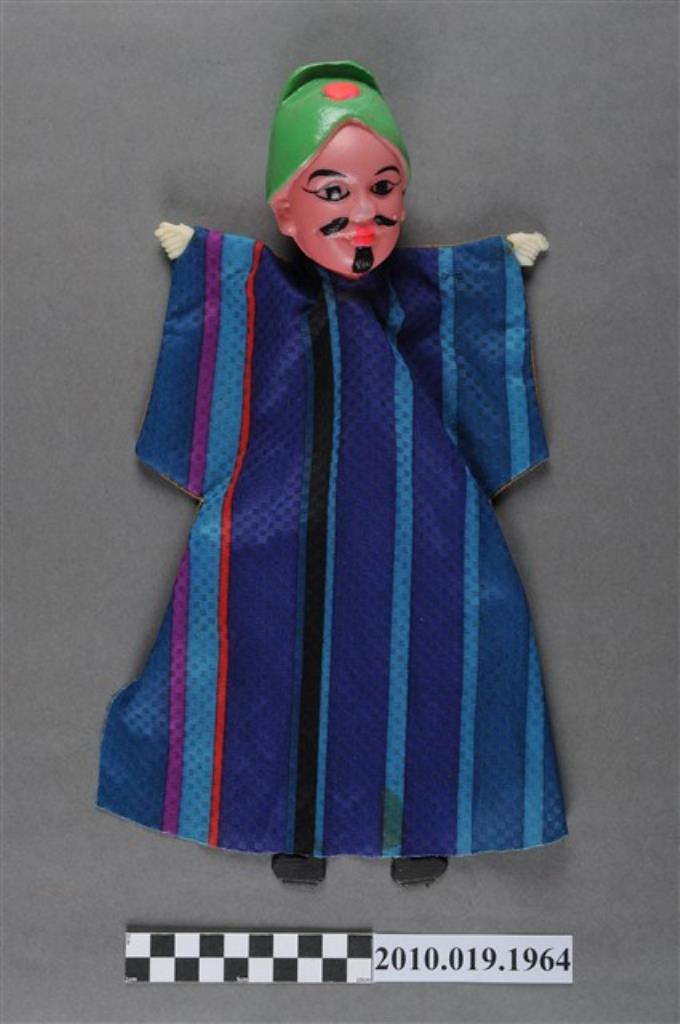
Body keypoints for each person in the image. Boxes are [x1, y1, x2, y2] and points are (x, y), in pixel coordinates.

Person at [97, 60, 567, 886]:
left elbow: (451, 290)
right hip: (281, 514)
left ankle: (427, 827)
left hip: (425, 522)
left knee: (436, 655)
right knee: (274, 658)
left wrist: (497, 266)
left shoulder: (418, 293)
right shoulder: (264, 295)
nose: (365, 216)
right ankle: (293, 826)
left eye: (385, 190)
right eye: (332, 193)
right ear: (285, 208)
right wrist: (201, 260)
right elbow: (233, 292)